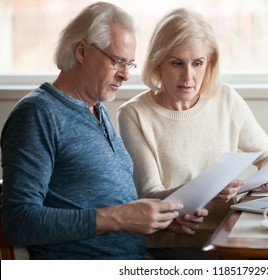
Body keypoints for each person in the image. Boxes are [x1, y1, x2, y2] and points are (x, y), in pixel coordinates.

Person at [0, 2, 207, 260]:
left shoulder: (96, 109)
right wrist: (120, 217)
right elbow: (19, 222)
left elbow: (102, 202)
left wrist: (159, 218)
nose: (125, 75)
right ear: (82, 51)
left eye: (128, 64)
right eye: (117, 61)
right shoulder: (37, 115)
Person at [117, 8, 268, 259]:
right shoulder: (134, 114)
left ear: (209, 63)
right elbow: (150, 195)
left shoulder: (226, 98)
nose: (188, 77)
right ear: (158, 63)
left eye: (197, 63)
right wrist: (207, 189)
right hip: (172, 244)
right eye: (177, 63)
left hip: (228, 234)